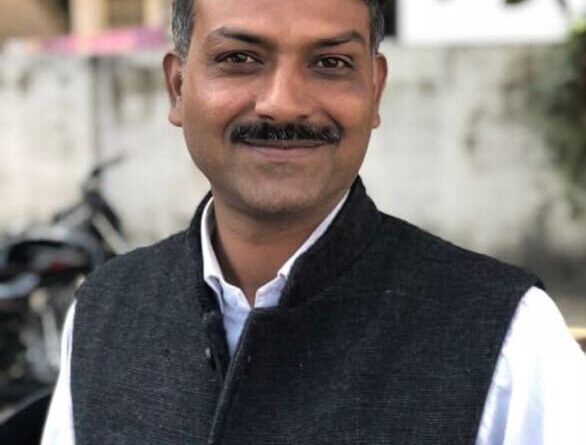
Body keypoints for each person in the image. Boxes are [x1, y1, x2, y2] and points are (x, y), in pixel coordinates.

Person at [41, 0, 586, 444]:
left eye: (330, 63)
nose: (284, 105)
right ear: (178, 87)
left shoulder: (507, 337)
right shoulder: (104, 312)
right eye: (239, 58)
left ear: (375, 89)